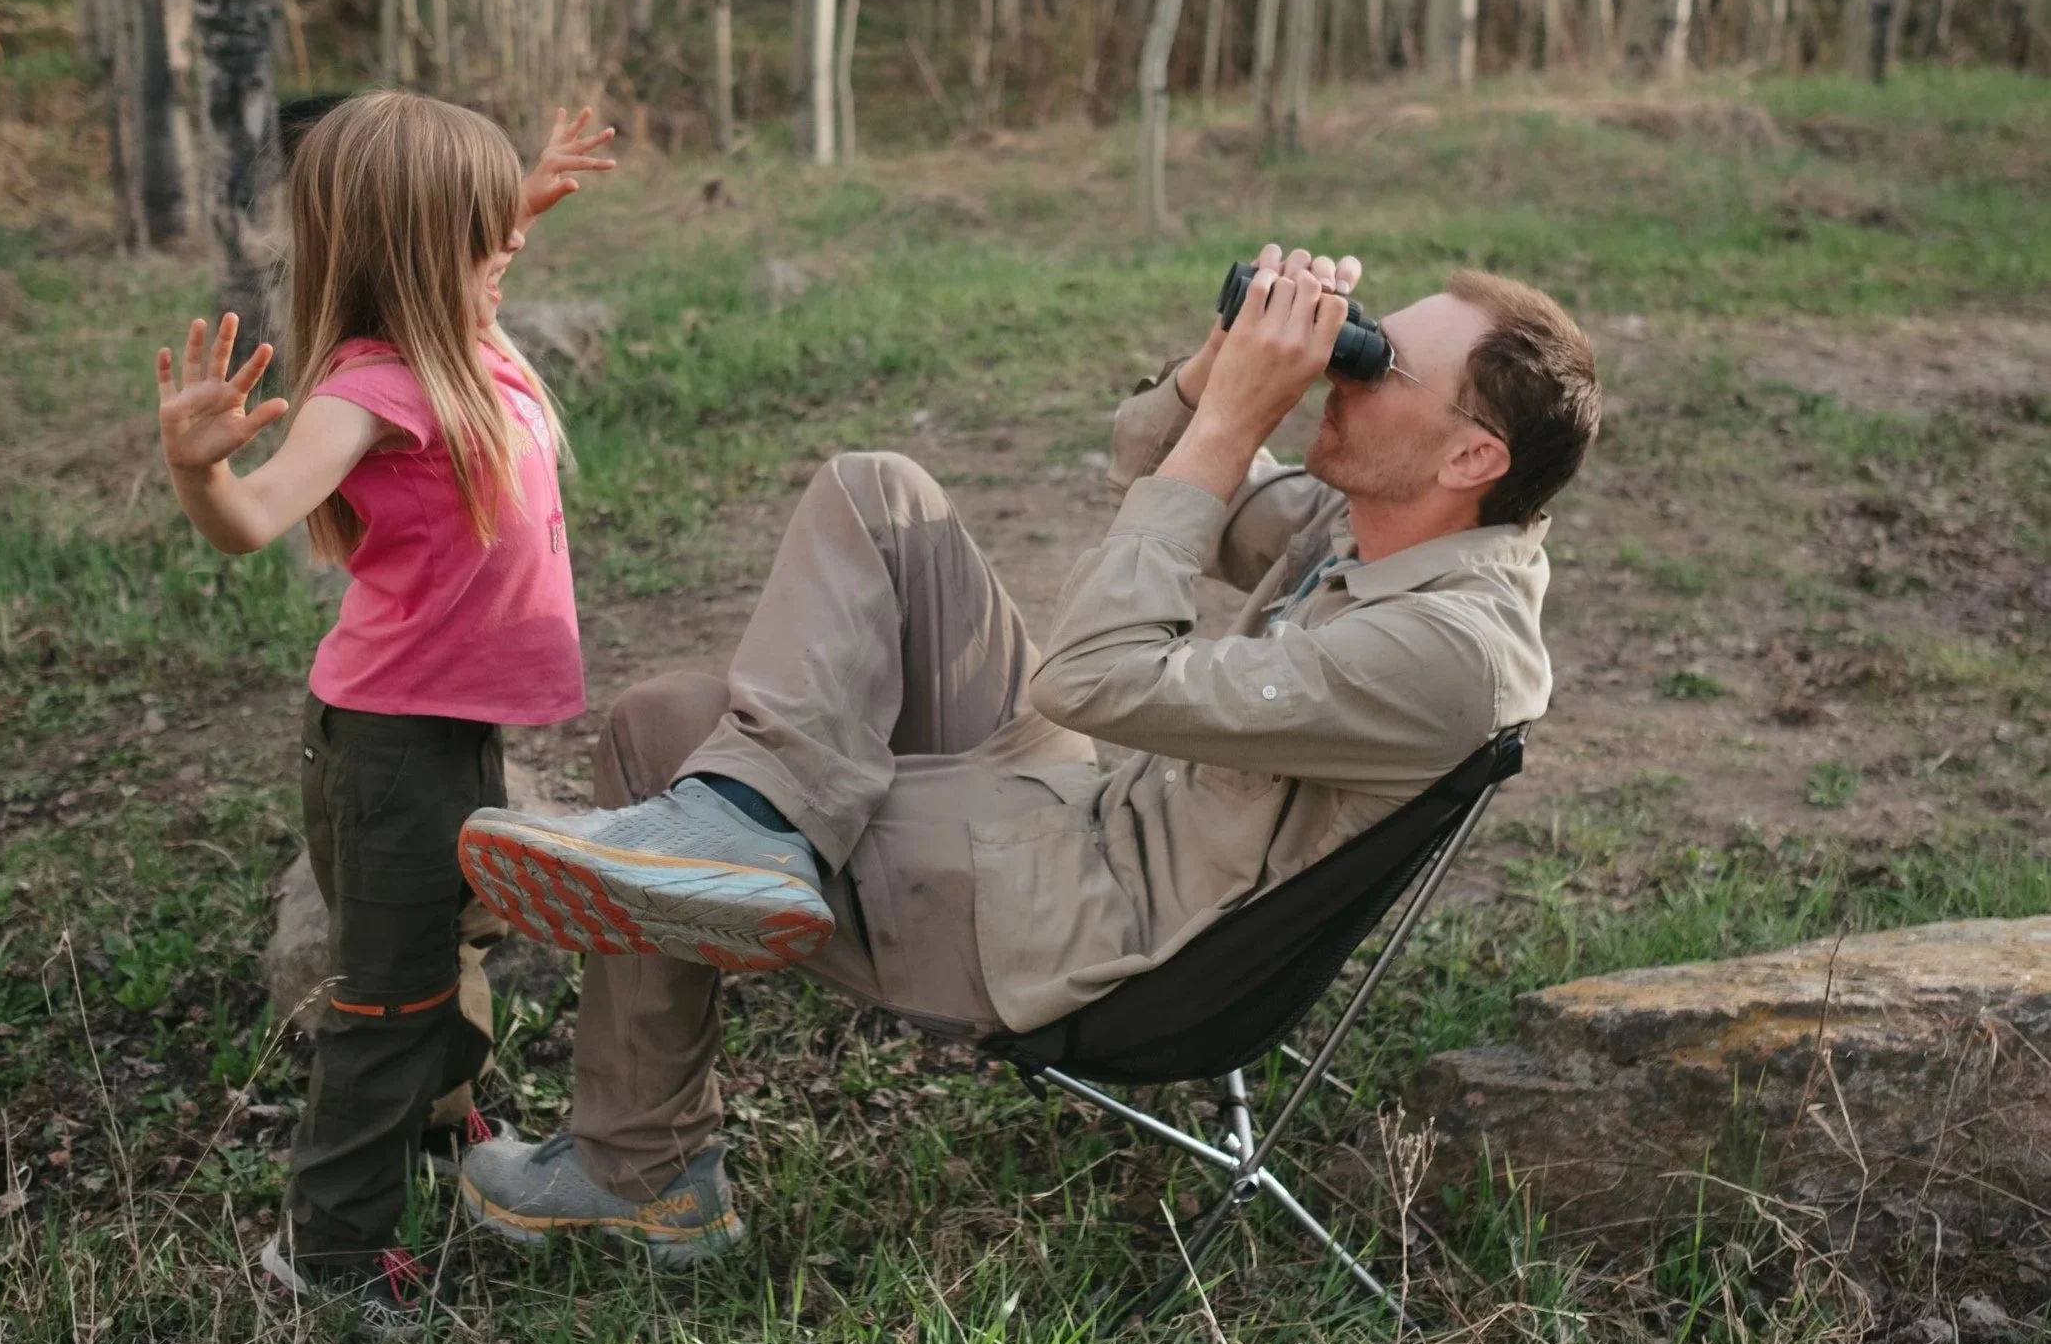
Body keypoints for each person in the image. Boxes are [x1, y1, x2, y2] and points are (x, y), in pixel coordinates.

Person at [451, 245, 1602, 1269]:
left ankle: (641, 1175)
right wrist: (1218, 370)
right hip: (1093, 809)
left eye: (1379, 366)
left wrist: (1229, 428)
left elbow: (1092, 677)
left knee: (664, 732)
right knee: (877, 494)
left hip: (1087, 931)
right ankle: (751, 823)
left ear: (1470, 455)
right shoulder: (1402, 524)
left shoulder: (1445, 652)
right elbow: (1142, 455)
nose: (1344, 373)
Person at [152, 90, 618, 1330]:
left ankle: (441, 1122)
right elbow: (254, 518)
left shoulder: (462, 333)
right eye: (486, 230)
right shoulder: (371, 389)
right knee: (390, 995)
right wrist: (200, 469)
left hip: (451, 726)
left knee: (454, 938)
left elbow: (460, 243)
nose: (510, 245)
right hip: (391, 747)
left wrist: (516, 195)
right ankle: (331, 1248)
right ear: (418, 248)